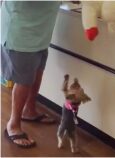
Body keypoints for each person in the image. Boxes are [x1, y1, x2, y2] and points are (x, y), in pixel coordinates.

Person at [1, 1, 61, 148]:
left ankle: (29, 110)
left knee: (37, 72)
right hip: (22, 31)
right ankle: (13, 125)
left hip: (40, 31)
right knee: (24, 80)